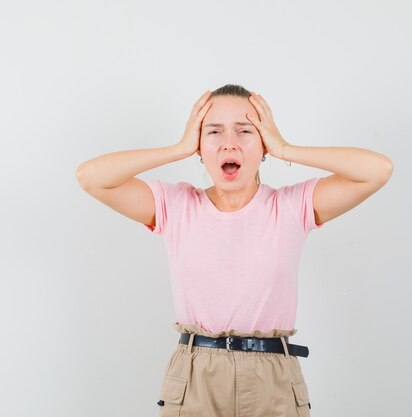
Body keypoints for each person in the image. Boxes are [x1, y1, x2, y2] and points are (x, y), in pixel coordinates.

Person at [75, 84, 393, 417]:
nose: (230, 142)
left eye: (245, 131)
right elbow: (91, 177)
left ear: (263, 144)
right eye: (213, 132)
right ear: (200, 146)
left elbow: (377, 170)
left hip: (273, 375)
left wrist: (285, 148)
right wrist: (179, 147)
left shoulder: (290, 206)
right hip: (196, 374)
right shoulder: (176, 205)